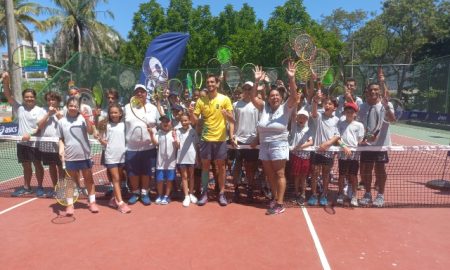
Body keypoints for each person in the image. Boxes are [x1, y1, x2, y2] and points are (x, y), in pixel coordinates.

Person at [250, 62, 298, 215]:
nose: (274, 97)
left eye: (277, 95)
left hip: (279, 144)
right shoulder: (264, 107)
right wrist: (256, 81)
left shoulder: (286, 107)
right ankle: (275, 197)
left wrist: (291, 79)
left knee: (279, 174)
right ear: (269, 98)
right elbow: (252, 98)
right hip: (265, 145)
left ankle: (280, 203)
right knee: (270, 174)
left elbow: (295, 96)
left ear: (281, 97)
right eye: (272, 96)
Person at [188, 74, 235, 206]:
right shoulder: (201, 101)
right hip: (205, 139)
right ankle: (204, 193)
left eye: (212, 82)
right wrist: (191, 113)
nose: (210, 84)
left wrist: (227, 115)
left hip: (220, 139)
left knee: (221, 167)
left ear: (217, 84)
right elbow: (194, 122)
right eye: (208, 82)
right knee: (205, 167)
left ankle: (221, 193)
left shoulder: (225, 99)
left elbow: (232, 120)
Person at [2, 72, 46, 197]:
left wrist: (30, 134)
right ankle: (27, 187)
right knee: (26, 166)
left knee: (38, 165)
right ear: (23, 98)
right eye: (26, 97)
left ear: (35, 98)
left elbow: (39, 127)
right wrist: (6, 81)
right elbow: (8, 95)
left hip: (35, 143)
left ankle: (40, 187)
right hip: (21, 143)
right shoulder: (19, 108)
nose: (29, 99)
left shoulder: (40, 110)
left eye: (31, 96)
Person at [358, 75, 395, 207]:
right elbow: (359, 125)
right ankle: (367, 194)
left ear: (379, 91)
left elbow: (392, 119)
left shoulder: (386, 104)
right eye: (371, 90)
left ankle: (380, 195)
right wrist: (363, 138)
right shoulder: (362, 107)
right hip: (366, 145)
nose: (373, 92)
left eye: (376, 89)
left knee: (380, 169)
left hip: (381, 145)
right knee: (366, 169)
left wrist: (387, 107)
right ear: (367, 92)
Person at [58, 97, 98, 215]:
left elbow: (90, 132)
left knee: (89, 180)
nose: (73, 108)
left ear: (78, 108)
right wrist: (61, 149)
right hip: (70, 156)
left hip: (85, 155)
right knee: (70, 181)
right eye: (71, 105)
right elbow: (61, 139)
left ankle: (92, 202)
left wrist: (87, 120)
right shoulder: (62, 121)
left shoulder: (82, 118)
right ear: (67, 106)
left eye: (75, 106)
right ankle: (70, 205)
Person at [124, 84, 160, 205]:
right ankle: (135, 193)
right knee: (133, 173)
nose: (140, 94)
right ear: (134, 94)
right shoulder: (127, 107)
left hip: (149, 147)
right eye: (137, 92)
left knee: (146, 172)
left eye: (142, 92)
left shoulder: (153, 108)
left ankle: (144, 193)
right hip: (131, 147)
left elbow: (160, 124)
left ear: (146, 94)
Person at [97, 103, 131, 213]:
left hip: (121, 155)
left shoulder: (123, 125)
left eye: (116, 112)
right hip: (110, 155)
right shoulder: (106, 125)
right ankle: (120, 203)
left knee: (119, 178)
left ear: (120, 113)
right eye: (111, 113)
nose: (113, 114)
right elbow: (104, 141)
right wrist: (100, 139)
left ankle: (113, 199)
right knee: (115, 178)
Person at [308, 93, 340, 206]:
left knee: (326, 174)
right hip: (316, 151)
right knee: (315, 173)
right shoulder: (319, 116)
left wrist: (328, 143)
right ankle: (313, 194)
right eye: (325, 103)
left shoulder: (337, 120)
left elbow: (337, 135)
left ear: (334, 107)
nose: (327, 105)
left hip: (328, 152)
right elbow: (314, 112)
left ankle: (324, 195)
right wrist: (315, 101)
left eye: (330, 104)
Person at [232, 81, 260, 202]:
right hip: (238, 141)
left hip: (252, 142)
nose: (247, 91)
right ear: (242, 90)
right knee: (237, 167)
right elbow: (232, 122)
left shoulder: (257, 105)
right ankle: (236, 189)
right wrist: (232, 136)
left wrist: (257, 138)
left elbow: (261, 124)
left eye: (250, 88)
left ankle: (249, 188)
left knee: (250, 167)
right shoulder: (235, 105)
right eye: (245, 88)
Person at [336, 102, 365, 207]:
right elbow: (337, 138)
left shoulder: (359, 125)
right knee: (342, 175)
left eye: (351, 112)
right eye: (347, 111)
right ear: (344, 112)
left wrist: (366, 140)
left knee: (353, 175)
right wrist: (344, 146)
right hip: (343, 152)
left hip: (354, 154)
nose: (349, 113)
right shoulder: (340, 123)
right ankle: (340, 194)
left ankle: (354, 196)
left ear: (355, 114)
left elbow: (360, 140)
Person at [37, 91, 65, 194]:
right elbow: (39, 126)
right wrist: (48, 114)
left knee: (62, 167)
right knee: (52, 167)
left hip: (60, 144)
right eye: (49, 100)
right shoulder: (42, 111)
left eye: (53, 99)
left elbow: (66, 127)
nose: (51, 102)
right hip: (46, 143)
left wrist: (60, 117)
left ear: (58, 101)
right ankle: (55, 188)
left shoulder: (64, 111)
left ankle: (61, 189)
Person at [149, 115, 177, 205]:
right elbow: (156, 143)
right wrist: (151, 134)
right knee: (159, 180)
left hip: (171, 162)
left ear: (170, 123)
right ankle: (160, 195)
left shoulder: (174, 133)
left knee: (169, 180)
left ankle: (166, 196)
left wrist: (175, 137)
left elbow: (178, 146)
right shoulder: (159, 133)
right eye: (163, 122)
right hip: (160, 162)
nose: (165, 123)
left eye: (167, 121)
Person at [288, 109, 313, 205]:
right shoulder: (294, 127)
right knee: (296, 176)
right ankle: (296, 193)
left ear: (307, 119)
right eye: (300, 117)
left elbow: (311, 142)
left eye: (304, 117)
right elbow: (293, 115)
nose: (301, 119)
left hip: (305, 157)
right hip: (296, 156)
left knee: (303, 177)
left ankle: (303, 194)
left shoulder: (308, 129)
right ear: (297, 118)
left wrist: (299, 147)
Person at [175, 113, 199, 207]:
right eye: (182, 121)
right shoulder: (177, 131)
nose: (184, 122)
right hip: (182, 158)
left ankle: (191, 193)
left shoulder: (193, 131)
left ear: (189, 121)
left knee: (191, 176)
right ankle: (186, 196)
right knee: (184, 177)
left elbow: (196, 145)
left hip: (192, 158)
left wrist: (197, 158)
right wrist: (176, 141)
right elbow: (177, 145)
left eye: (185, 120)